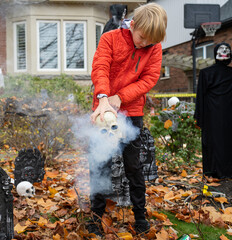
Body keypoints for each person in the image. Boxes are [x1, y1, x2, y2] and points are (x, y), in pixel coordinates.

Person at [89, 2, 167, 236]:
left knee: (134, 167)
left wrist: (121, 97)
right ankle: (95, 217)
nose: (144, 44)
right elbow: (100, 67)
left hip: (132, 113)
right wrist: (104, 97)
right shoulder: (110, 38)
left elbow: (149, 79)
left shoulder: (155, 47)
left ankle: (140, 216)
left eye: (149, 42)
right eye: (142, 37)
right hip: (102, 112)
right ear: (133, 25)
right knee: (100, 166)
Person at [194, 42, 232, 179]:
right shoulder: (205, 73)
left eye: (226, 49)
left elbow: (200, 97)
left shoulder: (206, 73)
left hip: (216, 115)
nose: (224, 51)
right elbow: (201, 96)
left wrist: (199, 117)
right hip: (216, 115)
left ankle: (214, 170)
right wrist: (200, 116)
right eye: (221, 49)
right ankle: (218, 170)